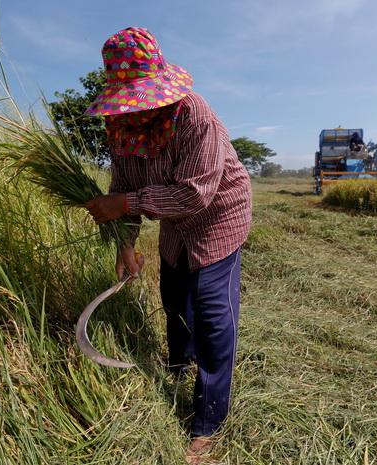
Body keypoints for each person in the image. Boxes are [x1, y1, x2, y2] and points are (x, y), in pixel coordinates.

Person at [84, 27, 252, 463]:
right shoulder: (119, 125)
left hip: (218, 216)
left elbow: (196, 193)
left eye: (142, 99)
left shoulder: (193, 114)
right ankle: (178, 366)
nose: (138, 111)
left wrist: (124, 203)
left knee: (214, 315)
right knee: (174, 297)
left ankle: (209, 419)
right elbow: (122, 184)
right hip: (173, 222)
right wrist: (126, 243)